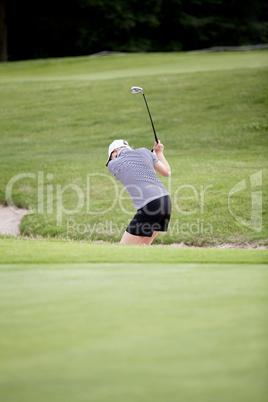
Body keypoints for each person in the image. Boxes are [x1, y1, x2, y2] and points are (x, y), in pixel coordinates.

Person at [106, 139, 171, 245]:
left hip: (150, 205)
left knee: (123, 249)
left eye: (111, 156)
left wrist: (152, 155)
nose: (111, 159)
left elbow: (128, 162)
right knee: (143, 247)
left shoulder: (112, 165)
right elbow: (167, 172)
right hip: (166, 202)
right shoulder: (145, 152)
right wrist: (158, 153)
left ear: (115, 151)